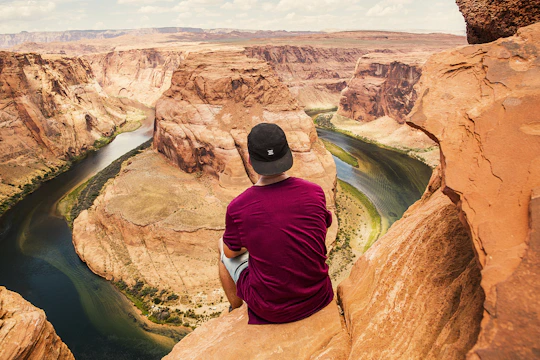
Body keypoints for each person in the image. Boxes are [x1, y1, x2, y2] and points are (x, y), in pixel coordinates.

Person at [218, 122, 334, 324]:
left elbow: (231, 254)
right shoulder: (315, 192)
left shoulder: (239, 207)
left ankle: (235, 309)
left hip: (272, 310)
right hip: (319, 297)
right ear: (288, 154)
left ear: (250, 160)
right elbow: (323, 226)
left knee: (222, 249)